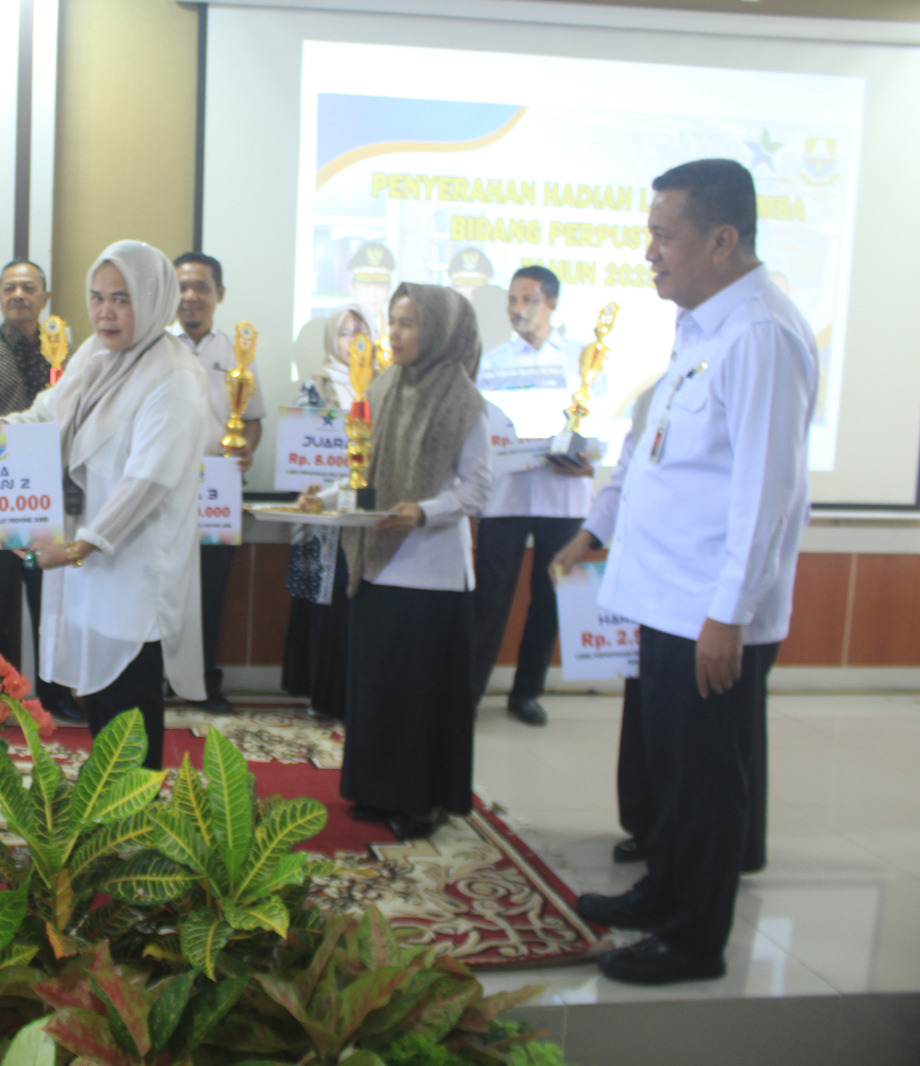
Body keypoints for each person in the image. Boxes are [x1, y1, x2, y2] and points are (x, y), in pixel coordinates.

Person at [552, 159, 817, 984]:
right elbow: (655, 456)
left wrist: (728, 614)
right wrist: (597, 530)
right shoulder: (701, 329)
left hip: (709, 609)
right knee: (669, 768)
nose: (650, 253)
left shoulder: (760, 336)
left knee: (706, 782)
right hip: (664, 600)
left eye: (664, 236)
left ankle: (695, 940)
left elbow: (765, 493)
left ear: (722, 240)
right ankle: (664, 892)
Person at [0, 240, 210, 770]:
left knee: (129, 708)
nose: (105, 312)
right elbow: (45, 416)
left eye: (122, 299)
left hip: (132, 571)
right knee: (102, 704)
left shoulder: (174, 374)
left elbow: (147, 481)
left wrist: (81, 547)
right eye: (97, 297)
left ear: (154, 299)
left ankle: (133, 812)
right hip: (88, 565)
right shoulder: (96, 357)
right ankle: (107, 809)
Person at [300, 283, 491, 841]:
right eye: (394, 321)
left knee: (418, 696)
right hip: (377, 565)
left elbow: (478, 487)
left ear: (440, 332)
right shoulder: (383, 386)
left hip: (432, 574)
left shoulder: (463, 400)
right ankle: (378, 789)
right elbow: (365, 475)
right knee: (379, 688)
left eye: (409, 323)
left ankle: (423, 801)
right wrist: (326, 497)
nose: (395, 333)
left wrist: (424, 511)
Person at [470, 267, 595, 726]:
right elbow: (479, 430)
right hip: (505, 496)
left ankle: (526, 693)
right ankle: (467, 692)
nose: (518, 309)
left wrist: (590, 459)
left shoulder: (583, 358)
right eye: (512, 300)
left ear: (552, 304)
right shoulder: (492, 362)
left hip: (563, 497)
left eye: (528, 300)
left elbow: (601, 427)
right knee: (488, 600)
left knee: (549, 600)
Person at [0, 259, 82, 725]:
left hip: (51, 498)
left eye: (29, 287)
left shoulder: (66, 353)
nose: (19, 295)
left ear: (44, 297)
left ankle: (57, 694)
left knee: (51, 599)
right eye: (10, 287)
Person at [172, 252, 266, 714]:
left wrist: (246, 448)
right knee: (163, 589)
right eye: (182, 287)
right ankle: (159, 679)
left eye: (201, 287)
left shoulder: (236, 353)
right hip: (163, 489)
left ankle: (204, 685)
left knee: (211, 591)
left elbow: (252, 420)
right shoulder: (153, 347)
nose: (191, 296)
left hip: (218, 490)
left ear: (219, 294)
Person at [281, 304, 369, 721]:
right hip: (322, 518)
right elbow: (299, 452)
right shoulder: (315, 387)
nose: (353, 341)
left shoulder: (381, 388)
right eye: (345, 332)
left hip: (367, 516)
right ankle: (321, 693)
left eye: (361, 332)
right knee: (326, 604)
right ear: (332, 339)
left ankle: (356, 694)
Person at [346, 242, 395, 338]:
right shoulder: (341, 330)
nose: (372, 293)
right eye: (365, 286)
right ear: (352, 290)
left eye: (380, 286)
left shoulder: (394, 332)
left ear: (388, 291)